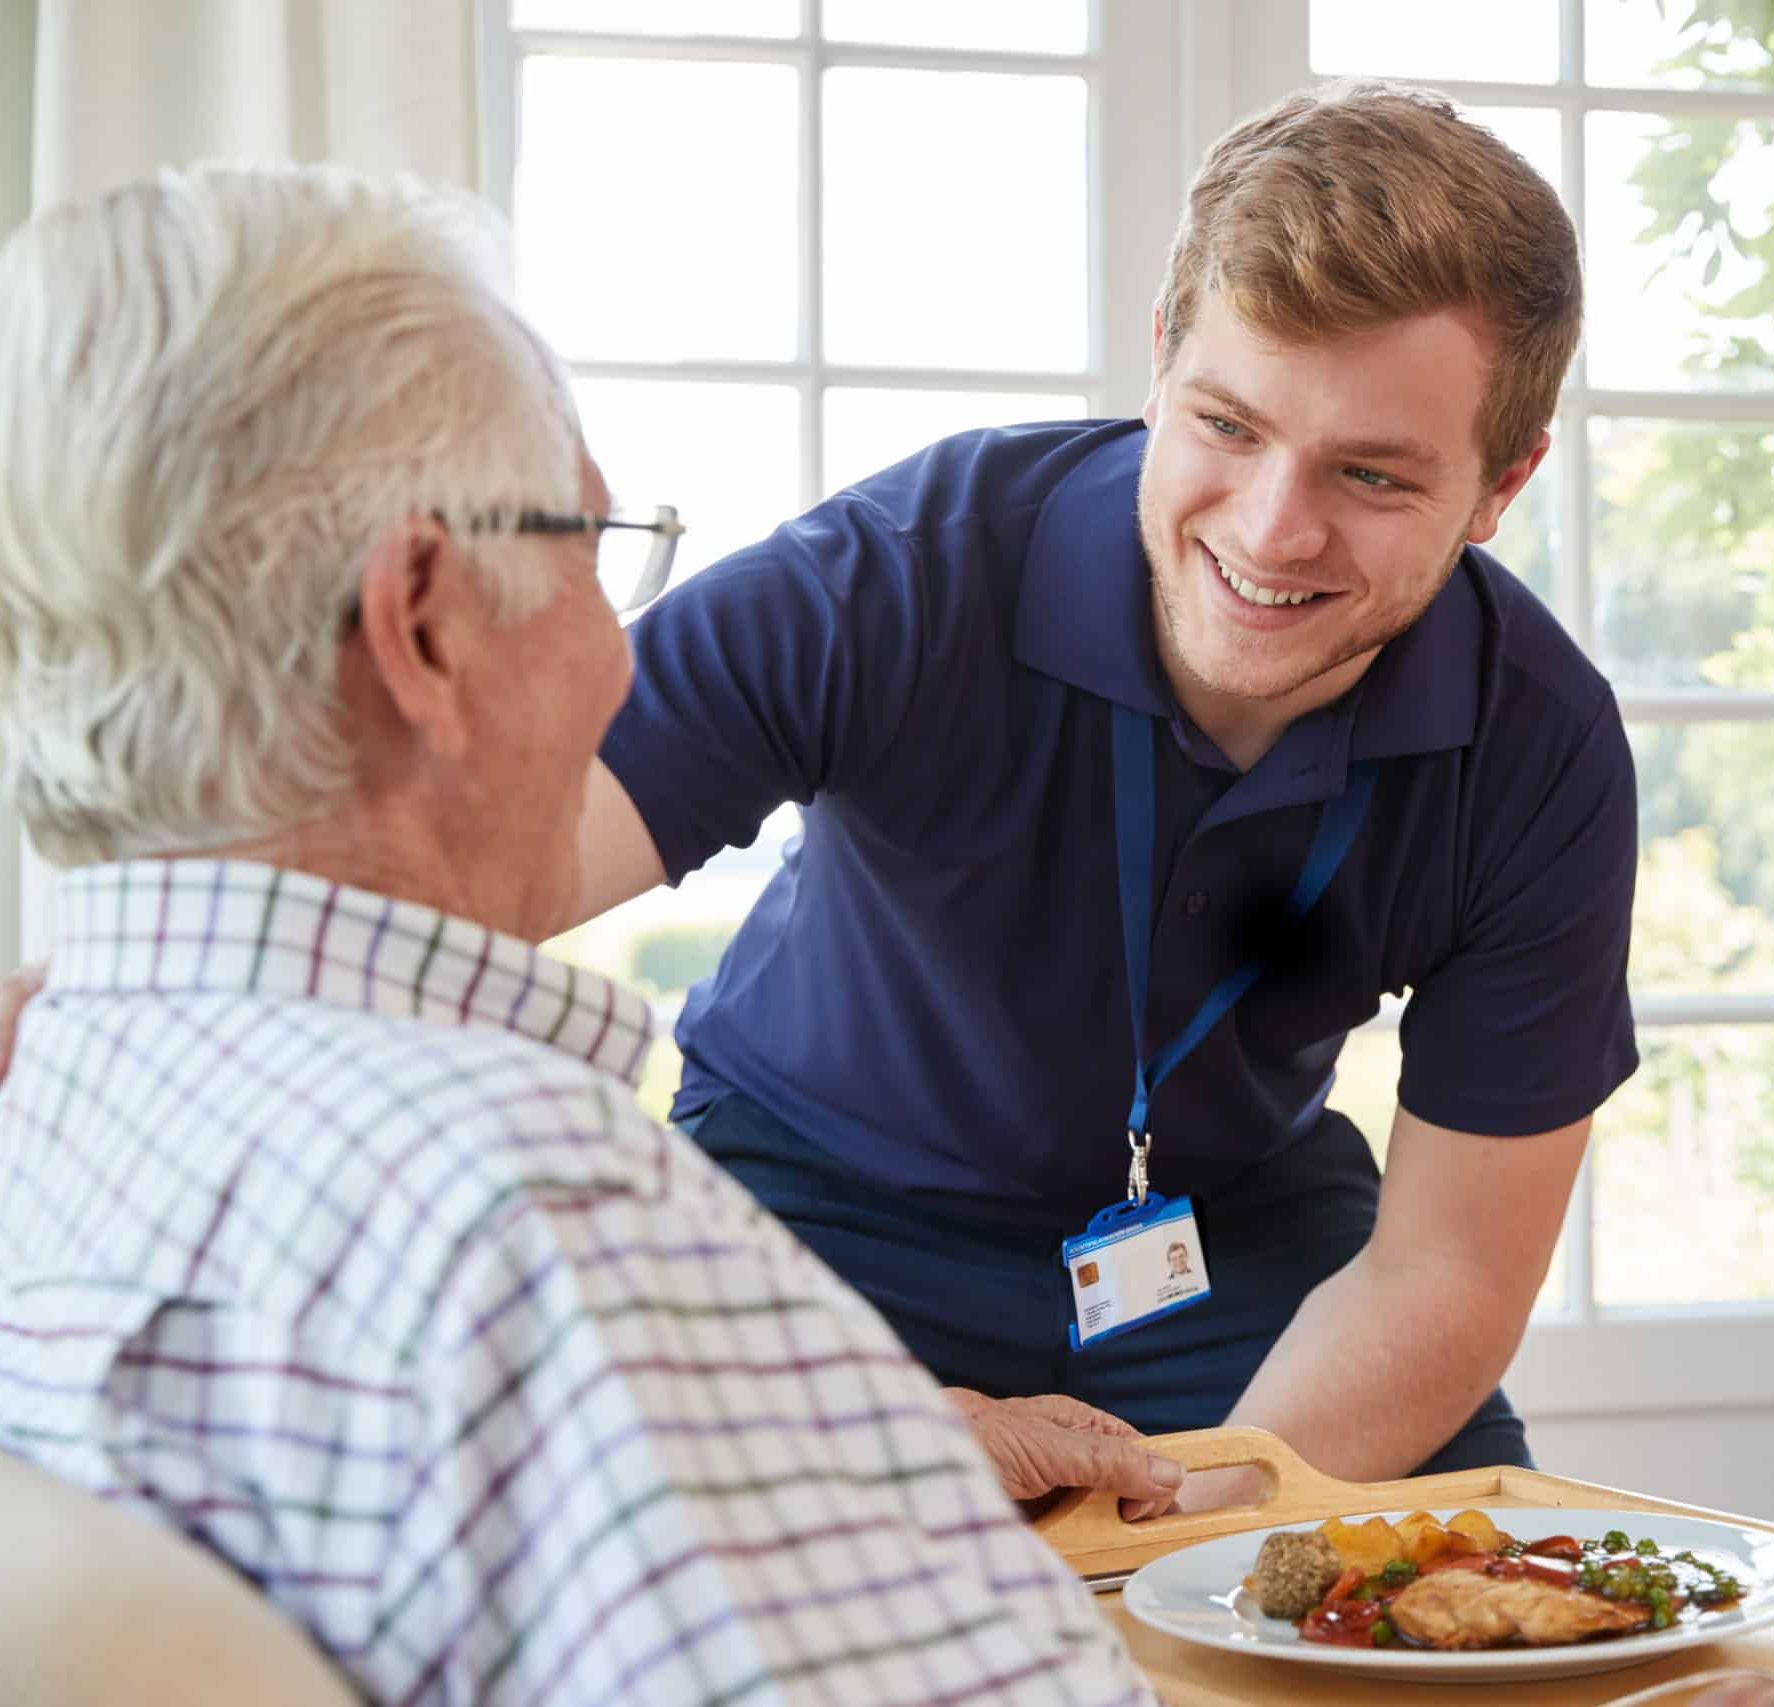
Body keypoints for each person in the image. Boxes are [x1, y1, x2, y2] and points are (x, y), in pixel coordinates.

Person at [0, 162, 1155, 1706]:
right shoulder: (522, 1207)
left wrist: (778, 1441)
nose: (624, 655)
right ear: (420, 619)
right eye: (592, 548)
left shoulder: (54, 1088)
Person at [573, 80, 1638, 1497]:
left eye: (1371, 474)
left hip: (1228, 1236)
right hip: (809, 1206)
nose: (1271, 532)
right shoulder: (894, 577)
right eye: (1227, 426)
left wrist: (1196, 1525)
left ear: (1502, 484)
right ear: (1160, 363)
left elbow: (1446, 1269)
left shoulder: (1539, 742)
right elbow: (448, 872)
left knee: (1431, 1598)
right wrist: (841, 1440)